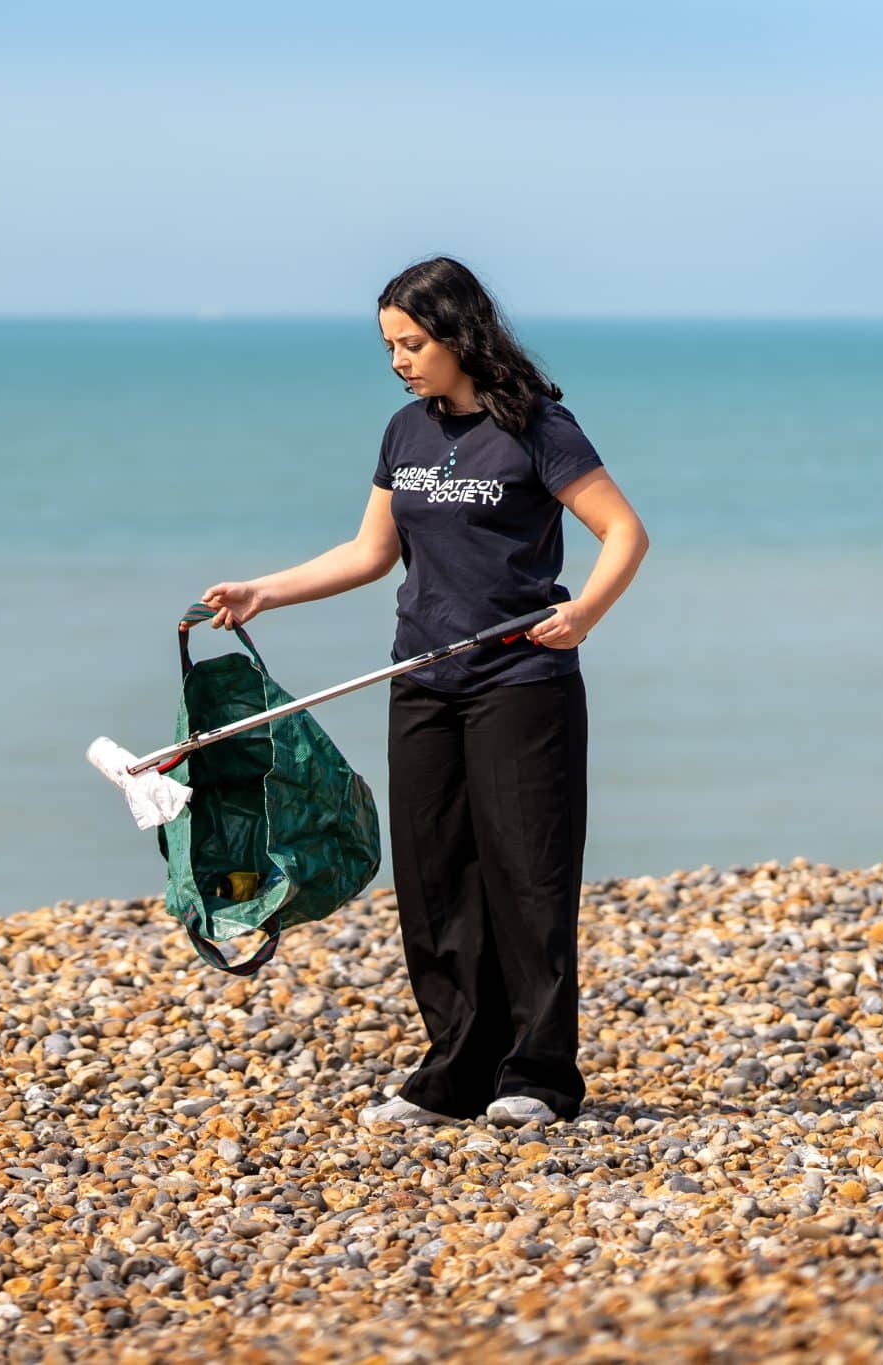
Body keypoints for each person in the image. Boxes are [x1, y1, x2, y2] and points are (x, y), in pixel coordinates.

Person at [199, 256, 649, 1128]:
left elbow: (623, 531)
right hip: (422, 678)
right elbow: (370, 553)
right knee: (435, 880)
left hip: (522, 681)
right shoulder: (405, 432)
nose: (400, 360)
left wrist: (584, 612)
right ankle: (455, 1072)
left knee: (528, 880)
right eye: (389, 346)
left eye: (412, 342)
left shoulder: (539, 428)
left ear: (458, 334)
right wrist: (265, 590)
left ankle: (540, 1076)